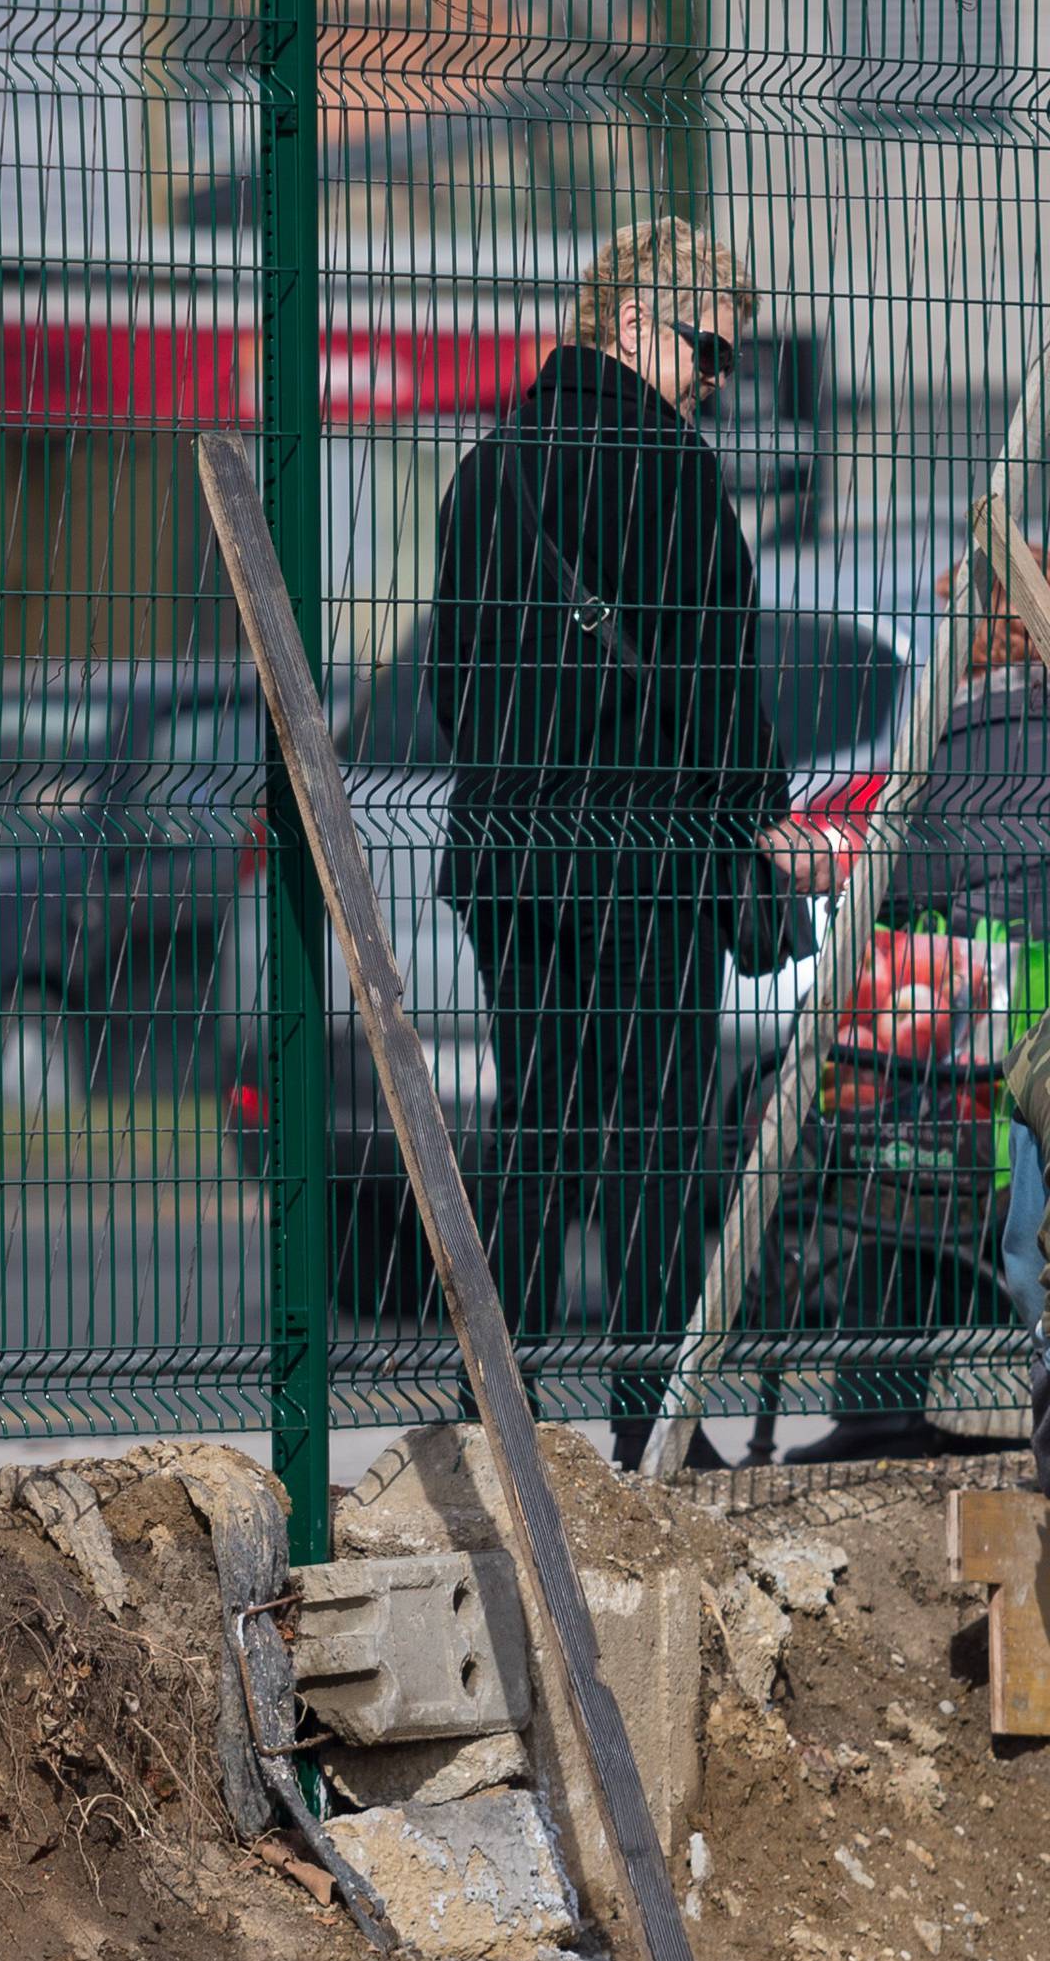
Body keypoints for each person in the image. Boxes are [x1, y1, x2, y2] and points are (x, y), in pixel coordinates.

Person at [429, 218, 837, 1471]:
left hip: (510, 860)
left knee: (537, 1139)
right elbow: (718, 680)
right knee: (655, 1155)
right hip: (646, 865)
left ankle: (491, 1417)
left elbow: (453, 679)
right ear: (635, 323)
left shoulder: (491, 468)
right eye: (710, 351)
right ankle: (656, 1438)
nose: (716, 381)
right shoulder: (669, 470)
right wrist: (760, 819)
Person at [790, 538, 1050, 1460]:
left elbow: (896, 866)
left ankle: (873, 1404)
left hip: (921, 1092)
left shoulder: (952, 739)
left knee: (854, 1167)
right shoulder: (993, 735)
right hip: (1001, 1089)